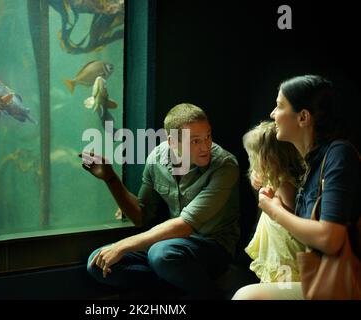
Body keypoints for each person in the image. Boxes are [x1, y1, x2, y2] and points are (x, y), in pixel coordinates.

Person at [80, 103, 240, 299]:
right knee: (97, 262)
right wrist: (111, 178)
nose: (205, 146)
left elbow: (185, 225)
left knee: (162, 253)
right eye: (195, 141)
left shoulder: (225, 165)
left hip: (213, 247)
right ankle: (171, 290)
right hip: (172, 247)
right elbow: (141, 216)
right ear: (172, 142)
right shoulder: (157, 158)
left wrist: (121, 246)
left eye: (208, 136)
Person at [233, 75, 360, 300]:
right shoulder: (311, 165)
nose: (273, 114)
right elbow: (305, 231)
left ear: (303, 117)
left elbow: (330, 239)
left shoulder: (339, 154)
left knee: (247, 297)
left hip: (342, 284)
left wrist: (274, 210)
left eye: (280, 105)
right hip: (320, 277)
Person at [242, 121, 305, 284]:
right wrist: (255, 175)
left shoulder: (285, 186)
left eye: (252, 157)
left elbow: (293, 224)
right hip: (276, 253)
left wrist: (273, 203)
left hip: (285, 257)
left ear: (266, 159)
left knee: (282, 290)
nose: (251, 161)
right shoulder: (274, 178)